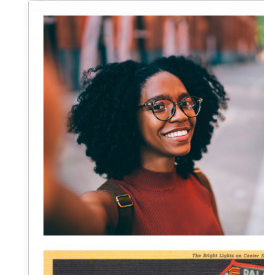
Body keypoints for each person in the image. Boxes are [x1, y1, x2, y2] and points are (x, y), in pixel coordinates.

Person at [58, 55, 228, 235]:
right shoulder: (111, 205)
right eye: (159, 106)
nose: (181, 115)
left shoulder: (200, 182)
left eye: (186, 103)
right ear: (129, 120)